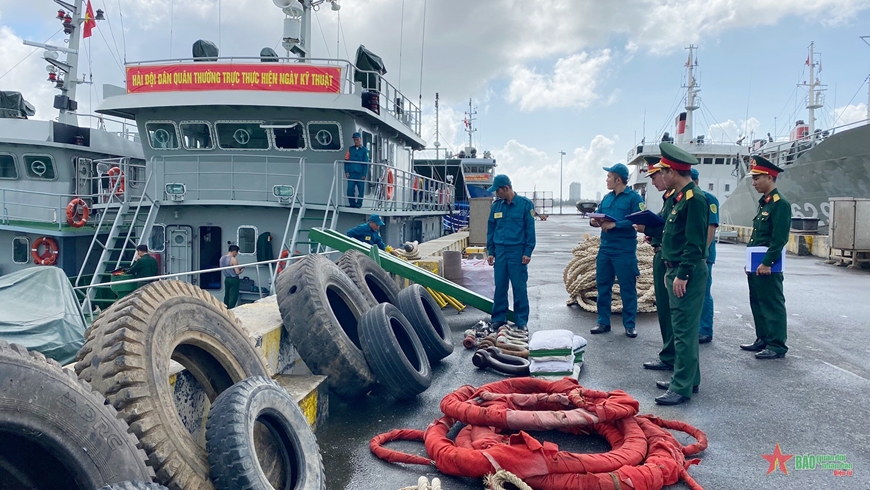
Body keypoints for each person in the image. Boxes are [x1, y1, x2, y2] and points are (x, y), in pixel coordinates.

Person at [654, 142, 709, 406]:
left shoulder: (694, 199)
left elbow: (695, 243)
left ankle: (681, 387)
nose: (660, 177)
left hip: (685, 271)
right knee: (681, 328)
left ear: (673, 172)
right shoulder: (679, 199)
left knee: (684, 330)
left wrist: (683, 274)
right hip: (675, 268)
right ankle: (688, 378)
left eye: (663, 172)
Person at [739, 156, 792, 359]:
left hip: (768, 266)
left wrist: (767, 262)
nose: (753, 183)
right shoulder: (765, 203)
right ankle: (763, 338)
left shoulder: (780, 204)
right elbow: (758, 238)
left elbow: (778, 239)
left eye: (756, 178)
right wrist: (751, 263)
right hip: (757, 264)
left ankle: (777, 345)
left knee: (772, 303)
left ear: (769, 177)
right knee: (758, 301)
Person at [589, 163, 644, 338]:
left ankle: (629, 325)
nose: (606, 179)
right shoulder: (607, 198)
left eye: (609, 176)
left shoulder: (634, 199)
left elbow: (640, 220)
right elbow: (598, 214)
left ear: (618, 179)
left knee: (627, 288)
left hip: (624, 250)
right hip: (605, 249)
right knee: (603, 286)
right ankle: (603, 322)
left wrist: (615, 225)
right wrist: (594, 221)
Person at [635, 158, 678, 370]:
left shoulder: (686, 199)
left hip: (673, 261)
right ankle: (669, 354)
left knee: (674, 312)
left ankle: (674, 358)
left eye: (654, 176)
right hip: (661, 255)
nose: (652, 181)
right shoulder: (669, 199)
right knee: (664, 309)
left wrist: (648, 229)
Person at [486, 174, 536, 330]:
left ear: (506, 188)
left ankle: (521, 321)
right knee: (500, 286)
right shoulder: (496, 206)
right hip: (500, 251)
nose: (496, 194)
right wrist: (491, 251)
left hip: (517, 251)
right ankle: (499, 318)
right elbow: (491, 229)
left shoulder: (525, 205)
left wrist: (528, 251)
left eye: (498, 191)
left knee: (519, 287)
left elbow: (530, 230)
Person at [692, 168, 719, 344]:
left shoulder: (709, 199)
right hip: (690, 254)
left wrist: (703, 253)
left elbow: (711, 228)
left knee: (703, 293)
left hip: (704, 256)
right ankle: (693, 328)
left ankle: (705, 330)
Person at [344, 132, 370, 208]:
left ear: (360, 139)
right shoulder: (350, 149)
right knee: (350, 190)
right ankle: (352, 204)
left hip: (360, 174)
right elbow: (346, 160)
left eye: (357, 139)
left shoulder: (365, 151)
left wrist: (364, 174)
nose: (356, 141)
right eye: (354, 140)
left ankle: (359, 204)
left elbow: (366, 163)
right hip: (351, 173)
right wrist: (346, 171)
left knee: (361, 190)